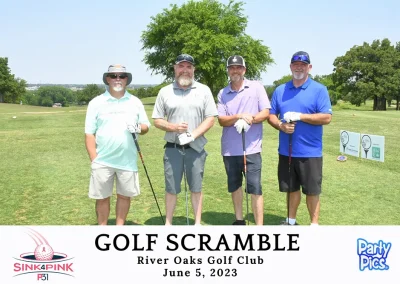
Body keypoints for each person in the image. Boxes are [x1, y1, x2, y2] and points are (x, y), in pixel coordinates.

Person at [267, 51, 332, 225]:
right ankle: (290, 221)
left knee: (311, 191)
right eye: (296, 64)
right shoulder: (281, 90)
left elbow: (326, 117)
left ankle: (314, 224)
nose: (299, 67)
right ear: (290, 67)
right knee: (291, 188)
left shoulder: (319, 89)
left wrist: (300, 116)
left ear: (309, 67)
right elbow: (271, 115)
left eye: (303, 65)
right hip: (287, 151)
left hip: (310, 152)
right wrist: (281, 126)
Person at [152, 54, 218, 225]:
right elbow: (157, 120)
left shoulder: (204, 90)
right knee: (171, 188)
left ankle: (196, 224)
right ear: (175, 68)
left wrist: (192, 134)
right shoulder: (165, 91)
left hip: (196, 148)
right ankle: (168, 223)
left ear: (193, 69)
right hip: (173, 148)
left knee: (196, 187)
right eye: (181, 66)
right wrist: (173, 127)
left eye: (189, 67)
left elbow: (210, 118)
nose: (185, 70)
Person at [85, 64, 150, 225]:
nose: (117, 79)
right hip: (103, 160)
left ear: (126, 79)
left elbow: (145, 126)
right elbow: (89, 133)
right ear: (107, 79)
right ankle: (103, 228)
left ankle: (119, 228)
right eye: (113, 76)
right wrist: (94, 159)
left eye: (121, 76)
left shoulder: (135, 102)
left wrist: (137, 127)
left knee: (124, 196)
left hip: (127, 160)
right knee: (102, 198)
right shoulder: (96, 102)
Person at [217, 55, 270, 225]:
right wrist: (239, 116)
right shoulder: (223, 93)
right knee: (235, 186)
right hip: (230, 149)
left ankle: (259, 225)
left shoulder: (256, 87)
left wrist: (250, 119)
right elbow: (221, 120)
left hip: (252, 149)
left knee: (255, 188)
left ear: (244, 70)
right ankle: (239, 220)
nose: (235, 70)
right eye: (232, 68)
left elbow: (265, 112)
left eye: (239, 67)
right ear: (228, 70)